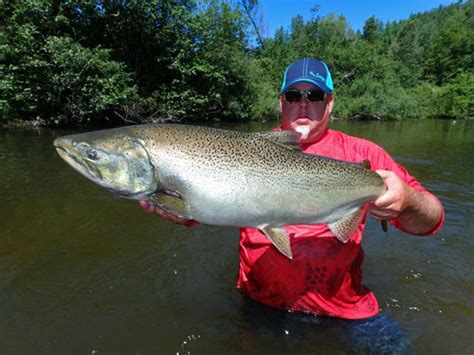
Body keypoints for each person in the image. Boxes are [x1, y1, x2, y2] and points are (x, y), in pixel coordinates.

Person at [139, 58, 444, 352]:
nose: (303, 103)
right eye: (293, 94)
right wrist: (174, 206)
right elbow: (201, 208)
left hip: (344, 311)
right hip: (260, 305)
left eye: (314, 94)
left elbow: (432, 220)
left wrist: (406, 200)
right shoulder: (244, 151)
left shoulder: (365, 155)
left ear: (330, 102)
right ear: (281, 101)